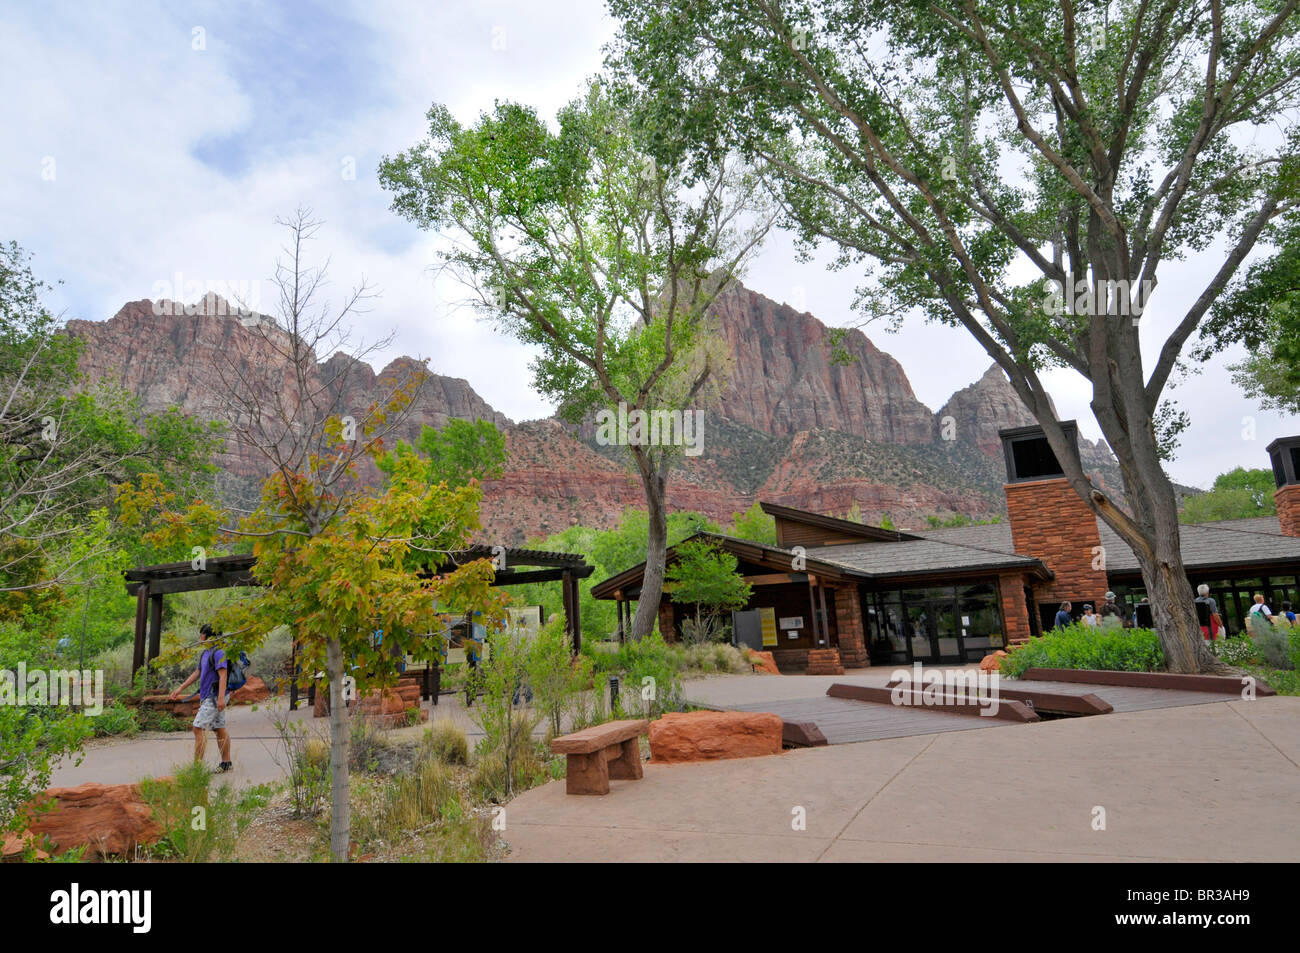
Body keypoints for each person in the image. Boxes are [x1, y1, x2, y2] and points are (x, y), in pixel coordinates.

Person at [170, 623, 233, 772]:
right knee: (219, 728)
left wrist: (220, 698)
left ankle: (197, 768)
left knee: (197, 728)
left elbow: (223, 675)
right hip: (209, 696)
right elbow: (197, 673)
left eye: (201, 635)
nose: (200, 638)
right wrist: (180, 688)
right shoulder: (206, 653)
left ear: (206, 636)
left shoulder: (218, 652)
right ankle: (226, 763)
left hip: (214, 697)